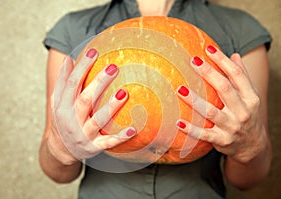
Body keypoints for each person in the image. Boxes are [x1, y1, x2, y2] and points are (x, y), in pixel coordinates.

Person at [39, 0, 272, 198]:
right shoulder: (72, 28)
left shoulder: (241, 29)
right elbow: (59, 173)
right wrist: (62, 149)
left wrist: (248, 147)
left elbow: (246, 180)